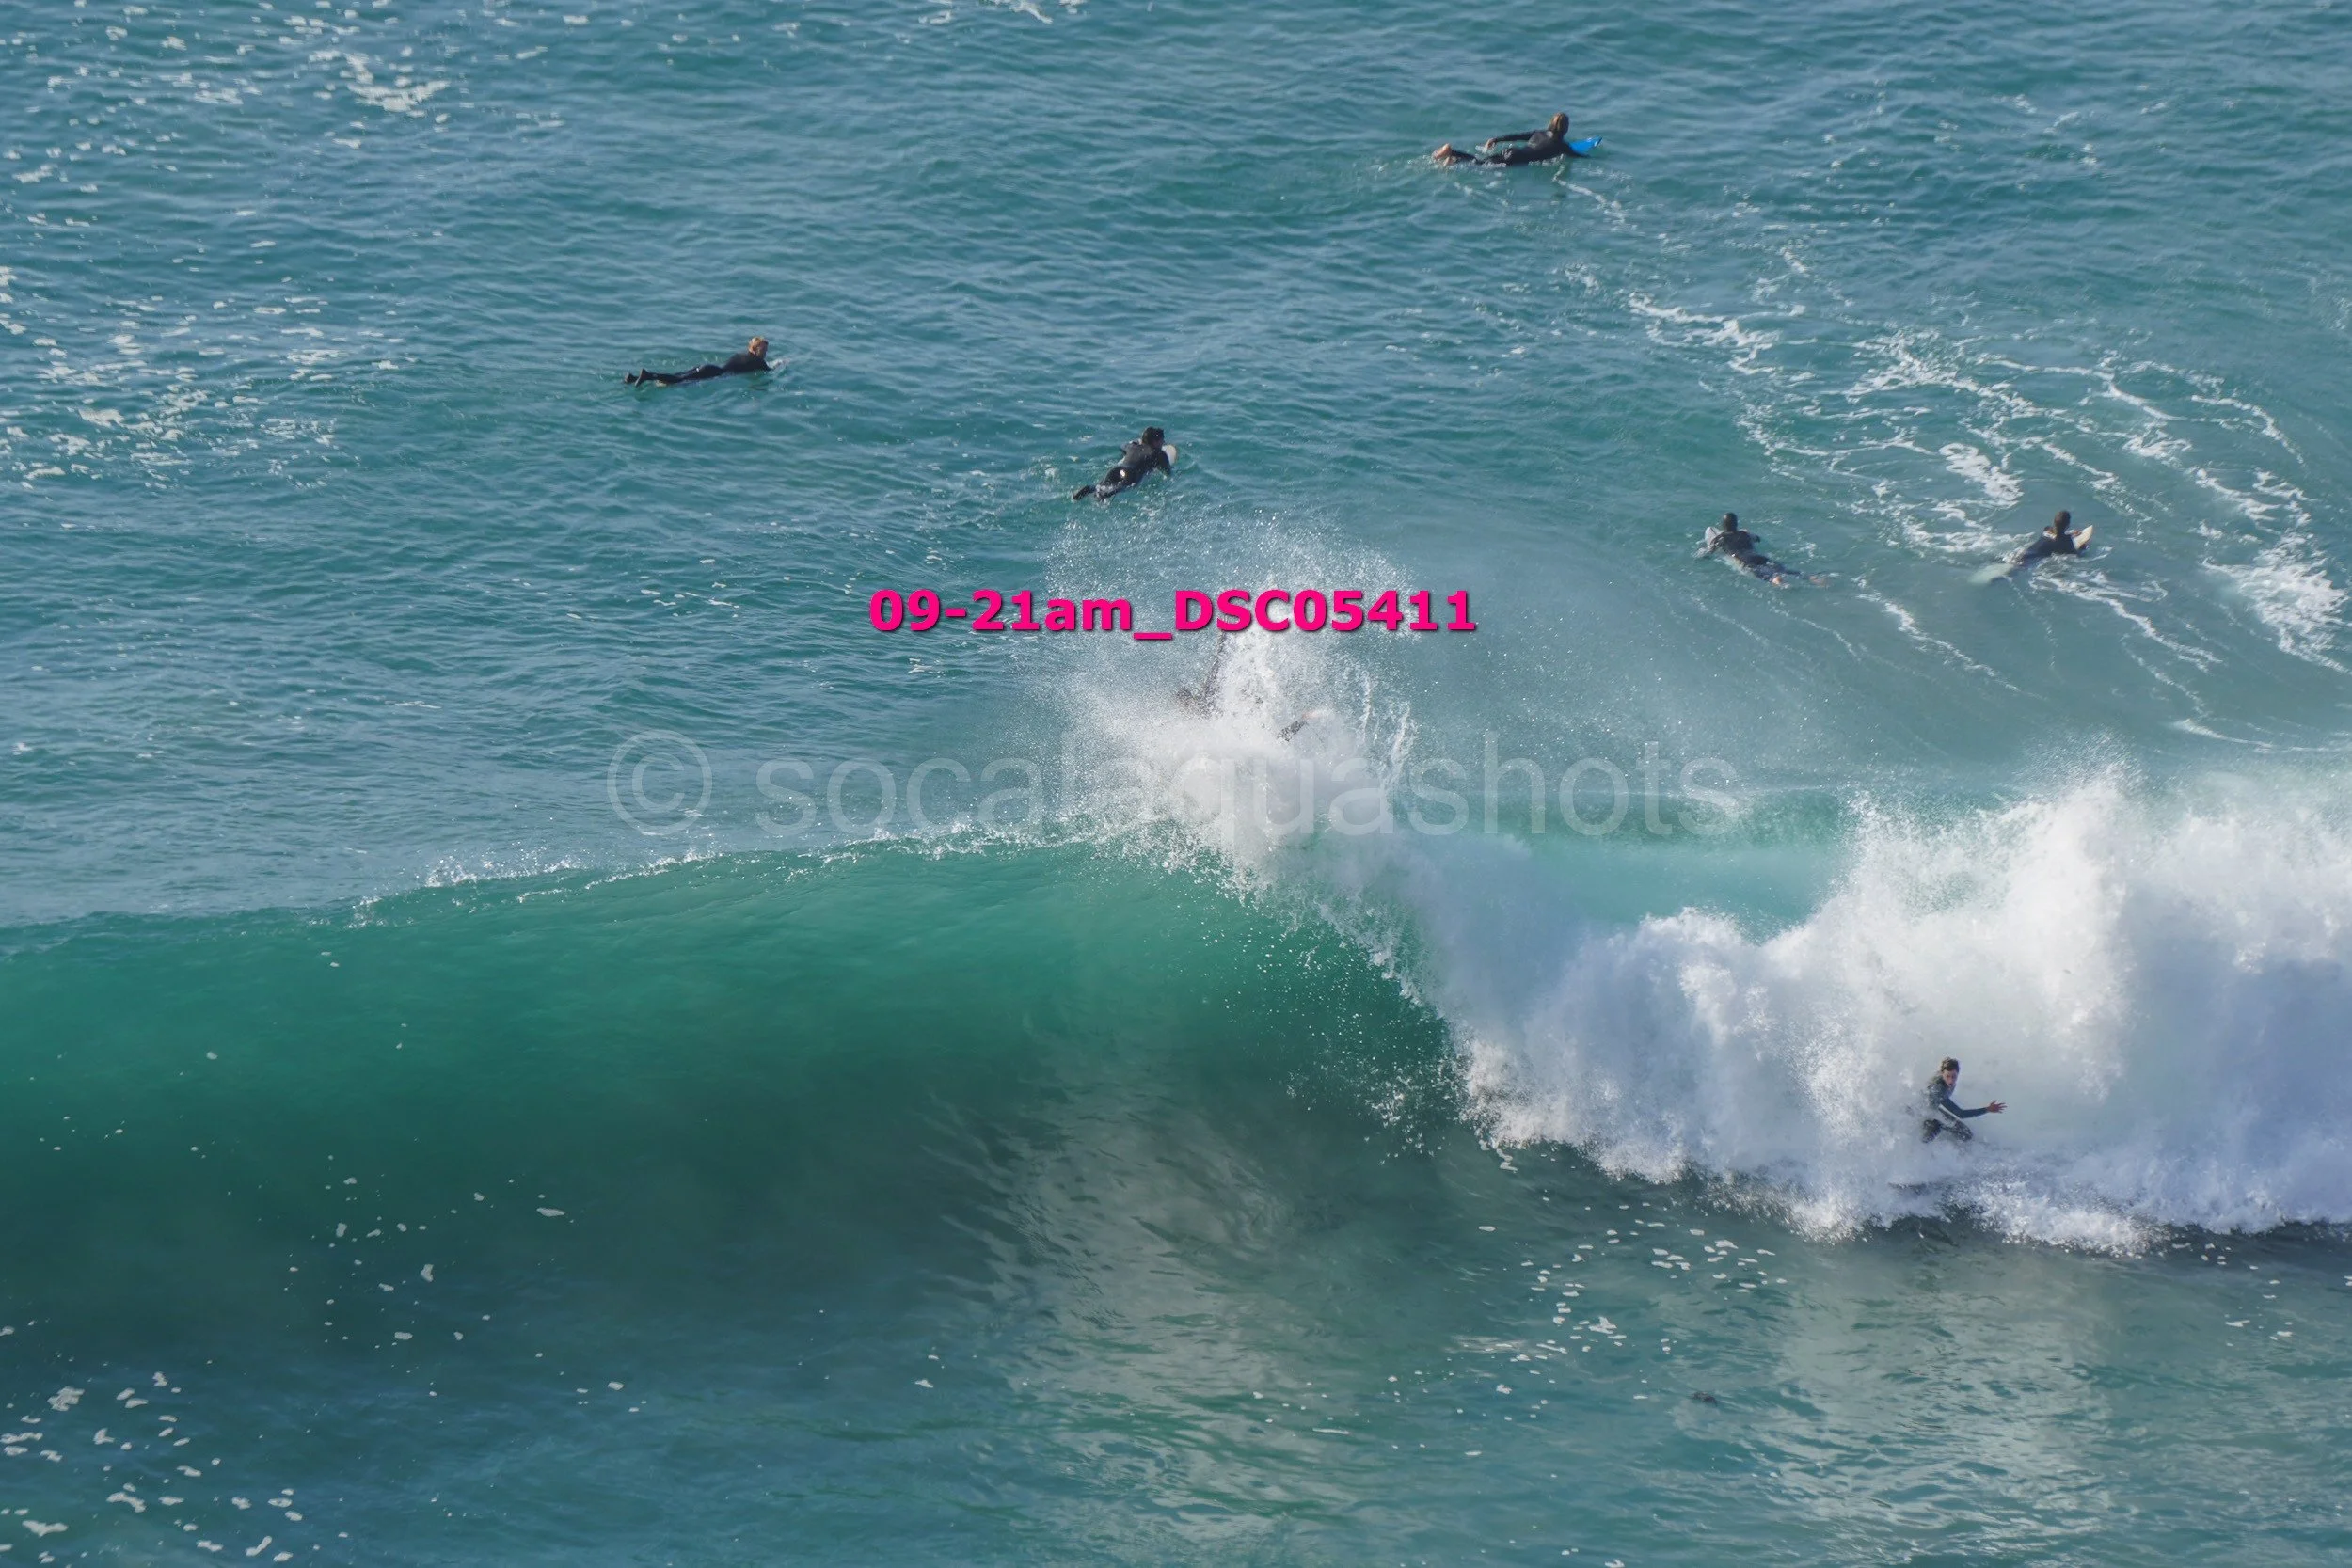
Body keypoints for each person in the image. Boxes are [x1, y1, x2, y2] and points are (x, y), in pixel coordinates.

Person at [1434, 111, 1585, 167]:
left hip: (1512, 151)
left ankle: (1454, 158)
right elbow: (1578, 156)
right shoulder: (1561, 146)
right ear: (1565, 128)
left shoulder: (1539, 133)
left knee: (1483, 161)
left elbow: (1516, 136)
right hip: (1516, 158)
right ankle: (1451, 152)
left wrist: (1496, 140)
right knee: (1481, 165)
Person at [1073, 427, 1176, 501]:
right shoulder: (1159, 453)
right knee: (1118, 489)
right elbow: (1168, 473)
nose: (1163, 443)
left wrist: (1135, 443)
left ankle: (1089, 488)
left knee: (1101, 486)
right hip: (1131, 475)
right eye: (1162, 440)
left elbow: (1122, 446)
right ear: (1155, 442)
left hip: (1117, 469)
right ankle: (1104, 495)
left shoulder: (1133, 447)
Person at [627, 336, 775, 387]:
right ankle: (648, 375)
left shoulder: (739, 355)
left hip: (708, 367)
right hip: (713, 373)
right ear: (755, 350)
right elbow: (769, 371)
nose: (765, 353)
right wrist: (781, 364)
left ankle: (633, 378)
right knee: (679, 382)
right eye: (763, 350)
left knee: (678, 376)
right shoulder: (758, 362)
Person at [1921, 1057, 2005, 1143]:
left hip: (1932, 1110)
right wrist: (1987, 1109)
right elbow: (1961, 1114)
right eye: (1948, 1076)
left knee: (1966, 1135)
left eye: (1954, 1077)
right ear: (1942, 1073)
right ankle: (1922, 1147)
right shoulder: (1939, 1090)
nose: (1951, 1080)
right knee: (1935, 1127)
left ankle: (1941, 1126)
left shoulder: (1943, 1076)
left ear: (1958, 1074)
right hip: (1920, 1113)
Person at [1701, 512, 1796, 587]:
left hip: (1745, 561)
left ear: (1723, 525)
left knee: (1765, 576)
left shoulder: (1720, 538)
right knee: (1784, 570)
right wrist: (1744, 532)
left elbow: (1710, 551)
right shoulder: (1744, 534)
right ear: (1736, 524)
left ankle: (1776, 581)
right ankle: (1809, 577)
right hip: (1758, 556)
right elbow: (1757, 539)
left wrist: (1702, 555)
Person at [2010, 509, 2086, 567]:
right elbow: (2077, 555)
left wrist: (2071, 534)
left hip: (2021, 554)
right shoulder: (2066, 542)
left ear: (2054, 522)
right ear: (2068, 525)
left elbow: (2057, 536)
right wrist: (2083, 547)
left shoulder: (2047, 529)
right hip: (2028, 561)